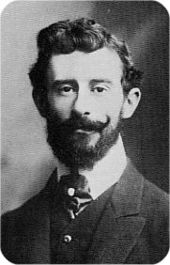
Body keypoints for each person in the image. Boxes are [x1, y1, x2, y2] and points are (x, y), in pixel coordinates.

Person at [1, 18, 169, 264]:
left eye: (99, 89)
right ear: (41, 101)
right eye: (66, 89)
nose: (81, 108)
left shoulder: (165, 222)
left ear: (129, 102)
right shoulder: (8, 230)